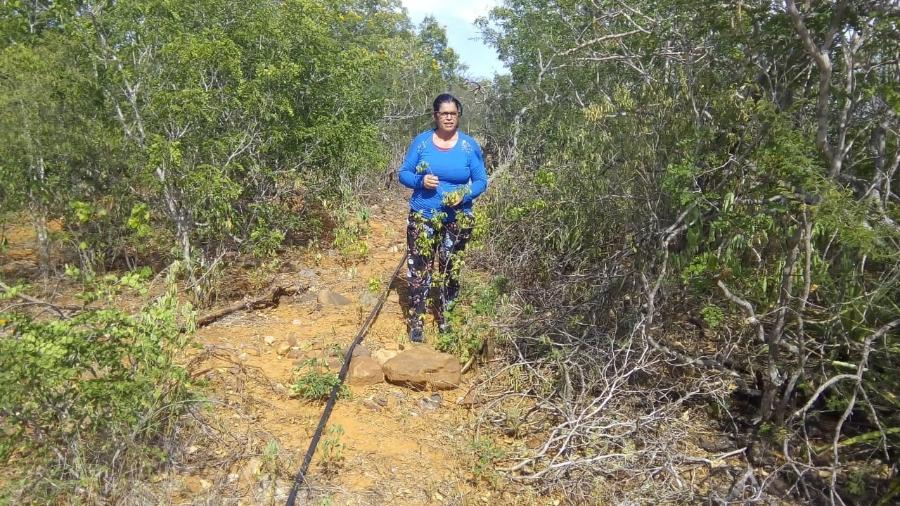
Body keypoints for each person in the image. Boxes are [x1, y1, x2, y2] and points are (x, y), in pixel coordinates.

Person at [398, 93, 488, 343]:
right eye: (444, 113)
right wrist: (420, 180)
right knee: (420, 269)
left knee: (450, 269)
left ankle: (446, 318)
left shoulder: (469, 146)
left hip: (458, 218)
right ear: (435, 116)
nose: (449, 117)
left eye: (453, 113)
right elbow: (403, 173)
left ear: (458, 116)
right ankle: (417, 321)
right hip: (423, 215)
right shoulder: (422, 143)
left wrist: (465, 193)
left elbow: (482, 180)